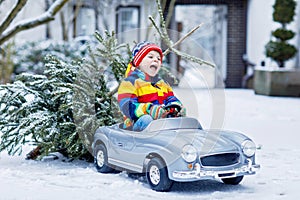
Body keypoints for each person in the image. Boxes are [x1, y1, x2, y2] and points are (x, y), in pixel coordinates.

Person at [117, 41, 186, 131]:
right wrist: (149, 109)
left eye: (158, 58)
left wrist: (177, 107)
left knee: (181, 121)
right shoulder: (130, 83)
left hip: (161, 125)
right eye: (150, 57)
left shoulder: (162, 84)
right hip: (136, 125)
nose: (155, 60)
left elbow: (171, 98)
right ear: (138, 63)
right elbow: (127, 106)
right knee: (147, 119)